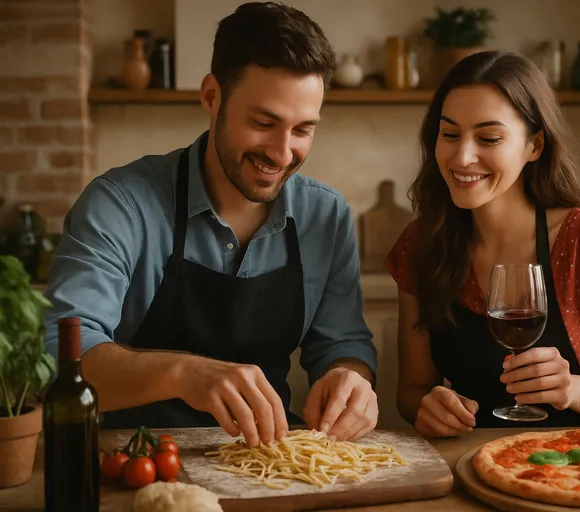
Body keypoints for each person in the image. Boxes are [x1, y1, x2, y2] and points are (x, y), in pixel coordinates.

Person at [43, 2, 378, 446]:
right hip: (134, 459)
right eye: (263, 122)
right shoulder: (119, 205)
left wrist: (349, 378)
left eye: (303, 130)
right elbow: (58, 355)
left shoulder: (326, 216)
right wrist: (184, 374)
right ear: (211, 96)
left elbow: (342, 343)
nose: (282, 154)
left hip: (271, 464)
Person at [386, 51, 580, 436]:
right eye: (450, 134)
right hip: (466, 469)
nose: (462, 156)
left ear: (535, 146)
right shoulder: (421, 244)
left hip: (576, 472)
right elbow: (411, 390)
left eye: (489, 137)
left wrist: (573, 388)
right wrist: (427, 408)